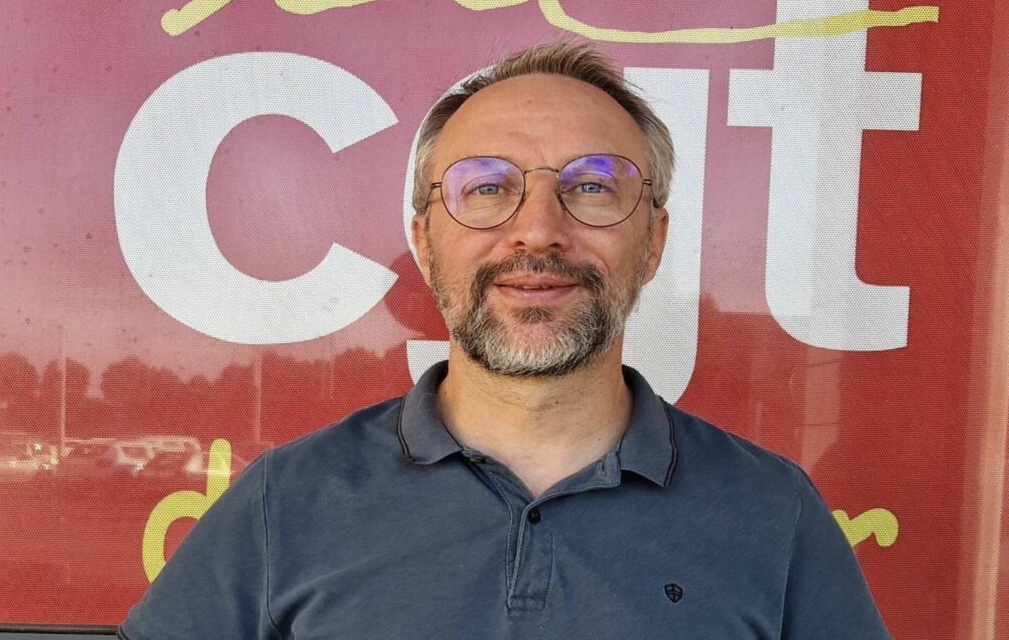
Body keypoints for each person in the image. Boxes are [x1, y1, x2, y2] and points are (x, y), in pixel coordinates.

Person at [119, 42, 891, 639]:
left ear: (653, 242)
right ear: (425, 240)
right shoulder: (286, 501)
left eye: (592, 186)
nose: (538, 231)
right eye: (487, 187)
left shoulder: (774, 513)